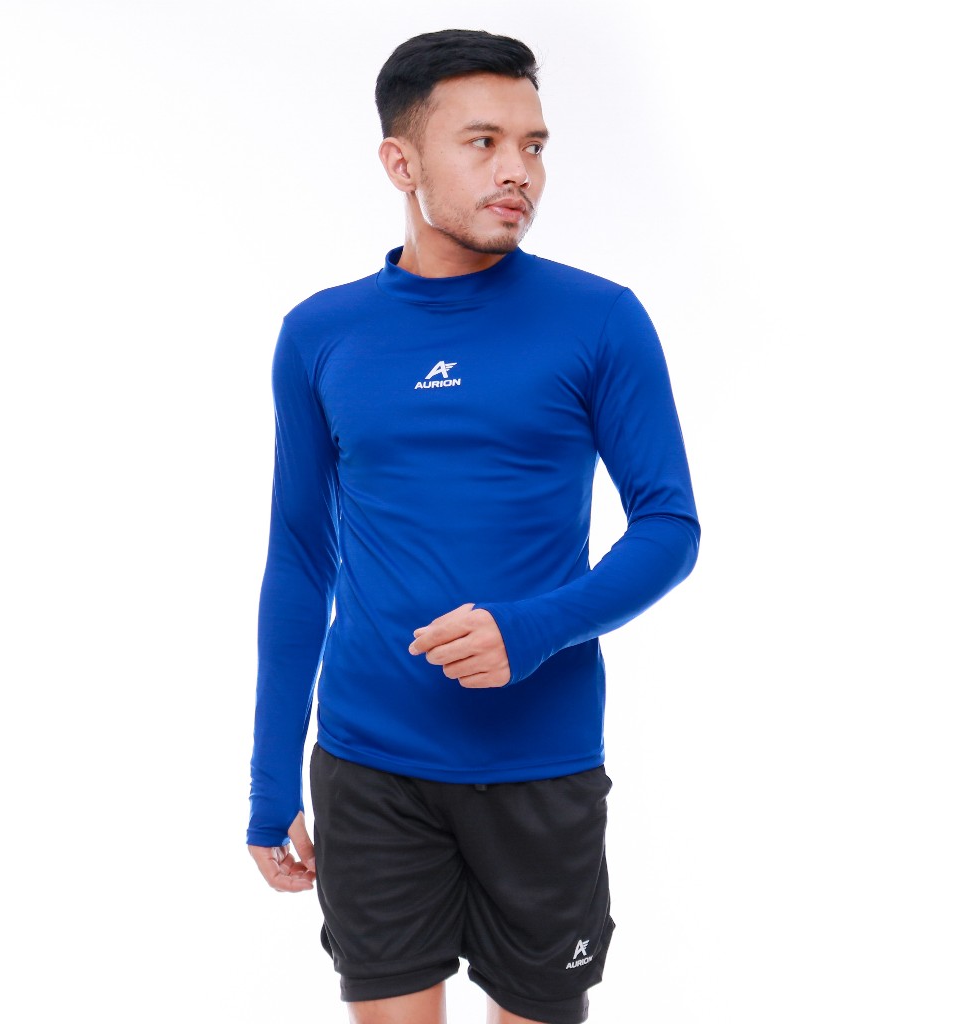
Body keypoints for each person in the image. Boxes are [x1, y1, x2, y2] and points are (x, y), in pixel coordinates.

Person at [246, 27, 700, 1024]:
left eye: (533, 145)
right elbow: (300, 557)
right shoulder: (321, 333)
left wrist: (531, 628)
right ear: (400, 162)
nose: (518, 171)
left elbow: (670, 526)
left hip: (539, 761)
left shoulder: (600, 319)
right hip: (369, 761)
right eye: (483, 142)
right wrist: (271, 777)